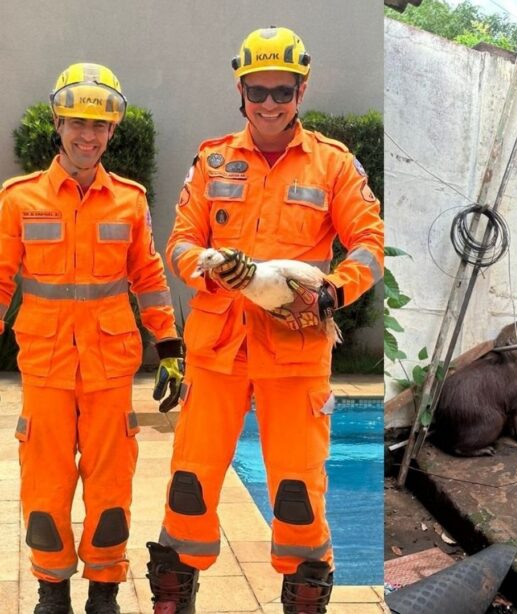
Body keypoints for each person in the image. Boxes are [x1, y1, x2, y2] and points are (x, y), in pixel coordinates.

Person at [145, 26, 384, 614]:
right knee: (188, 485)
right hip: (216, 349)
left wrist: (331, 292)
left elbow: (369, 244)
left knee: (298, 492)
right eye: (259, 92)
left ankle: (304, 601)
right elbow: (177, 242)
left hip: (296, 351)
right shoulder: (212, 159)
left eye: (283, 91)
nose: (270, 104)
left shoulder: (333, 165)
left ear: (301, 90)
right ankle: (174, 599)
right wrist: (207, 267)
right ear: (241, 91)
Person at [0, 63, 184, 614]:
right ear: (58, 123)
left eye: (100, 125)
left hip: (109, 369)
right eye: (78, 122)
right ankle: (51, 591)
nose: (88, 135)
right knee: (45, 487)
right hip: (46, 369)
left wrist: (171, 348)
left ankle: (104, 591)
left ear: (111, 131)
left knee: (110, 487)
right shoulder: (18, 199)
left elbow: (149, 279)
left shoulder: (128, 201)